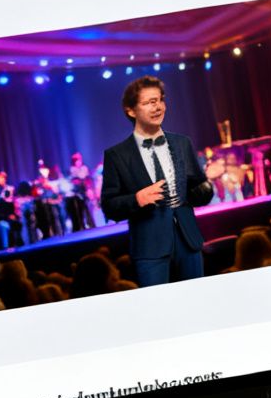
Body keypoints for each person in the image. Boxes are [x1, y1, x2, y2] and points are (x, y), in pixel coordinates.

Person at [100, 76, 214, 285]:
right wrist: (137, 199)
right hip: (149, 250)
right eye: (148, 102)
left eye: (160, 100)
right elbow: (108, 206)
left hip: (189, 242)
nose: (157, 106)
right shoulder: (117, 155)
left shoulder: (182, 143)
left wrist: (208, 184)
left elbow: (198, 193)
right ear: (131, 110)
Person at [66, 152, 92, 232]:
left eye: (79, 160)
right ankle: (81, 225)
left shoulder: (84, 168)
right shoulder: (72, 169)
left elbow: (88, 180)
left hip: (85, 191)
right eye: (76, 160)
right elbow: (74, 181)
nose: (78, 162)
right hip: (78, 193)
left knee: (88, 208)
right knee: (80, 209)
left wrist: (89, 189)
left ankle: (90, 224)